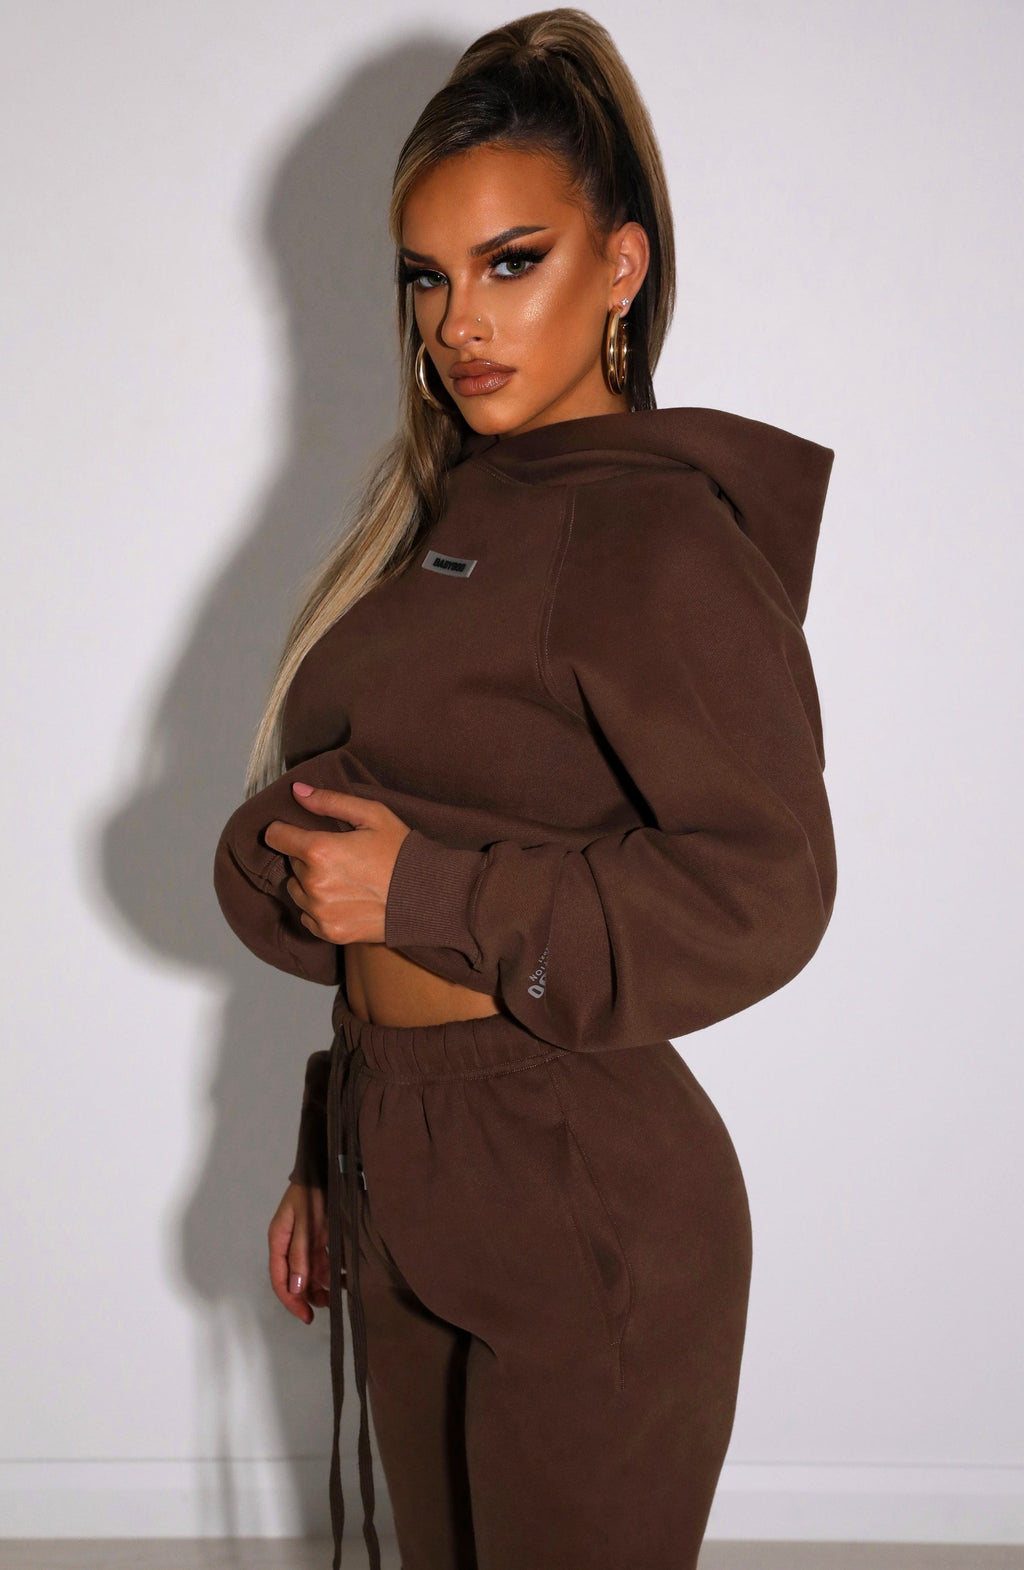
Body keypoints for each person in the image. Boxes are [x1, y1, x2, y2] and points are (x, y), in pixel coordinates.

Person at [212, 9, 837, 1569]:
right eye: (428, 277)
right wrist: (334, 1141)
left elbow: (764, 885)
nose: (460, 321)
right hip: (407, 1163)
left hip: (582, 1185)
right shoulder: (447, 522)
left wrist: (421, 888)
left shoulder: (662, 537)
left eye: (512, 261)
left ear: (621, 266)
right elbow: (386, 829)